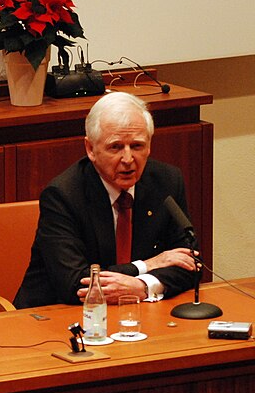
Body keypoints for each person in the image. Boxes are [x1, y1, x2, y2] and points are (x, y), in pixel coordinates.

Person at [14, 92, 197, 309]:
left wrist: (142, 287)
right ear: (90, 149)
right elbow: (76, 285)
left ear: (149, 146)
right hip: (54, 318)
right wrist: (149, 265)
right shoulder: (63, 195)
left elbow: (190, 263)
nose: (128, 159)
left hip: (136, 316)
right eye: (115, 147)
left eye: (137, 146)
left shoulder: (166, 182)